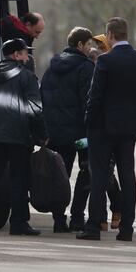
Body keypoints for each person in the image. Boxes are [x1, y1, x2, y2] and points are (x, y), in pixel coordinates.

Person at [78, 17, 136, 242]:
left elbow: (95, 96)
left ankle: (93, 226)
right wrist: (135, 119)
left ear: (110, 35)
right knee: (128, 175)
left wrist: (89, 121)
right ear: (126, 34)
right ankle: (127, 228)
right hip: (128, 128)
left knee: (98, 176)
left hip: (102, 128)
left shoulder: (105, 61)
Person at [0, 38, 46, 236]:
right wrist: (42, 135)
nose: (27, 55)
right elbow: (35, 110)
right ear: (16, 55)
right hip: (19, 136)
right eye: (24, 52)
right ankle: (18, 223)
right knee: (19, 179)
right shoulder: (27, 77)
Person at [40, 27, 95, 232]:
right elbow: (87, 101)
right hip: (80, 134)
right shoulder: (86, 68)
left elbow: (43, 98)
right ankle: (78, 216)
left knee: (59, 177)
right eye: (89, 44)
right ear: (80, 45)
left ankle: (59, 219)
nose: (91, 48)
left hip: (55, 133)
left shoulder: (51, 68)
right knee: (86, 171)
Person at [87, 46, 123, 232]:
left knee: (106, 175)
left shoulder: (109, 75)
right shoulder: (88, 75)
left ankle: (117, 208)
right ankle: (100, 217)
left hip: (108, 130)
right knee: (94, 176)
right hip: (93, 132)